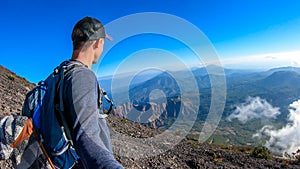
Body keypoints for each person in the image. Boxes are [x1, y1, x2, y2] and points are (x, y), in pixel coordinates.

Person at [61, 16, 123, 169]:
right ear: (98, 42)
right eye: (103, 43)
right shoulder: (82, 76)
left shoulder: (60, 74)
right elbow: (87, 137)